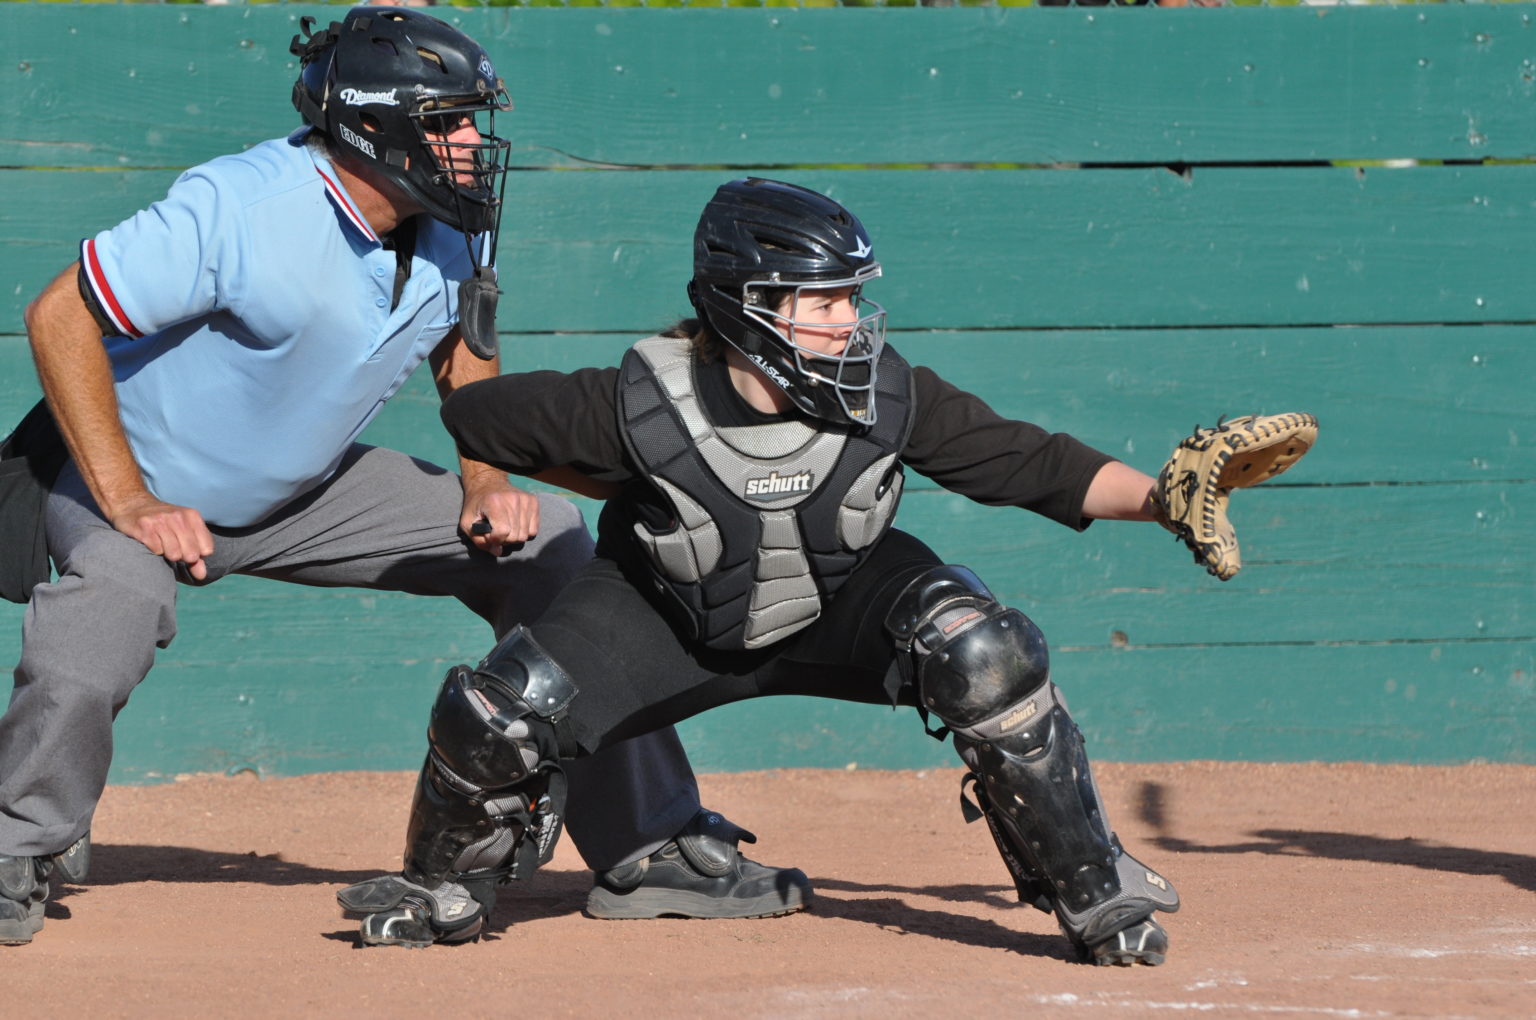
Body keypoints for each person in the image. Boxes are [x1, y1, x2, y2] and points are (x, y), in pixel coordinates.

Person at [0, 9, 806, 948]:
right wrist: (130, 499)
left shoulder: (451, 218)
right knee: (110, 611)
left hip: (303, 493)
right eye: (450, 122)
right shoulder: (242, 206)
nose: (473, 143)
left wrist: (480, 476)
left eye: (472, 121)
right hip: (130, 482)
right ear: (374, 124)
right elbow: (62, 312)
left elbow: (463, 346)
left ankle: (649, 843)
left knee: (549, 545)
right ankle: (17, 844)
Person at [338, 177, 1184, 966]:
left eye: (853, 296)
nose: (850, 320)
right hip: (664, 616)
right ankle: (439, 885)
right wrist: (615, 471)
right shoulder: (638, 402)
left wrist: (1165, 499)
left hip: (842, 601)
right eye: (825, 300)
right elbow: (478, 415)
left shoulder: (888, 392)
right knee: (497, 709)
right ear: (751, 308)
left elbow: (1029, 464)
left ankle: (1094, 887)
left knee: (980, 648)